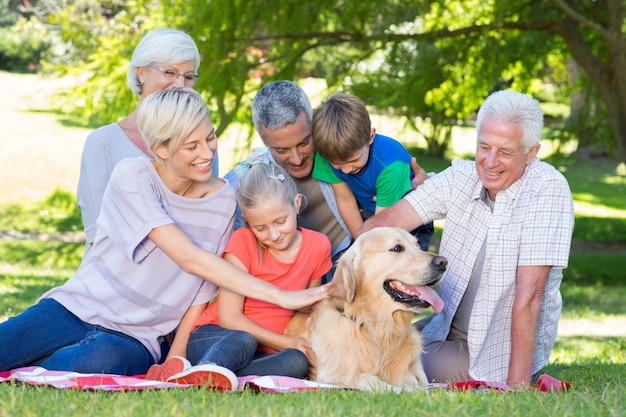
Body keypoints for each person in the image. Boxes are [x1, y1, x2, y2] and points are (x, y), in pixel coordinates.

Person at [0, 87, 326, 376]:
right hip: (74, 308)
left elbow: (203, 287)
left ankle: (32, 370)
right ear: (161, 149)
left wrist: (176, 354)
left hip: (136, 338)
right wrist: (281, 296)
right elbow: (189, 258)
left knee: (84, 365)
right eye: (191, 146)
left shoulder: (224, 200)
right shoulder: (133, 176)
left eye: (210, 137)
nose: (207, 153)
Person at [357, 90, 575, 389]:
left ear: (531, 153)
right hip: (442, 331)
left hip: (492, 350)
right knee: (360, 344)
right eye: (483, 147)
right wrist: (352, 269)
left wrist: (517, 388)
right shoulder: (461, 176)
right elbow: (380, 225)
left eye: (505, 151)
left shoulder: (547, 190)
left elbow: (530, 298)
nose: (490, 162)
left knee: (378, 363)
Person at [146, 163, 331, 390]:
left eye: (281, 221)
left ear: (297, 204)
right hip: (217, 338)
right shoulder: (243, 242)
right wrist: (287, 342)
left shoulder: (318, 246)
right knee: (243, 339)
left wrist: (304, 348)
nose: (273, 235)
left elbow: (307, 310)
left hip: (263, 352)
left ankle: (220, 378)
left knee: (296, 361)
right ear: (246, 220)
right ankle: (209, 368)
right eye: (260, 228)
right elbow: (229, 318)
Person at [225, 81, 429, 282]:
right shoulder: (249, 182)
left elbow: (399, 174)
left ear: (315, 121)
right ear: (264, 141)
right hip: (293, 281)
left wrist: (424, 187)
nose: (296, 159)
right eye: (281, 150)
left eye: (304, 142)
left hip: (351, 263)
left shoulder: (342, 152)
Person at [77, 28, 219, 259]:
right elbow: (97, 237)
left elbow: (205, 222)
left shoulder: (202, 143)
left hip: (184, 278)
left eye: (188, 76)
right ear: (141, 73)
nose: (180, 84)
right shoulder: (102, 142)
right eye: (170, 72)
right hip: (109, 280)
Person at [311, 93, 434, 251]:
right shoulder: (326, 154)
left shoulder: (390, 165)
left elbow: (383, 224)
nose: (347, 170)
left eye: (354, 160)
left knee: (406, 268)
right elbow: (345, 199)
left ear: (370, 136)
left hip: (408, 216)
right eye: (338, 164)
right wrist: (361, 242)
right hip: (371, 212)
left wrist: (369, 248)